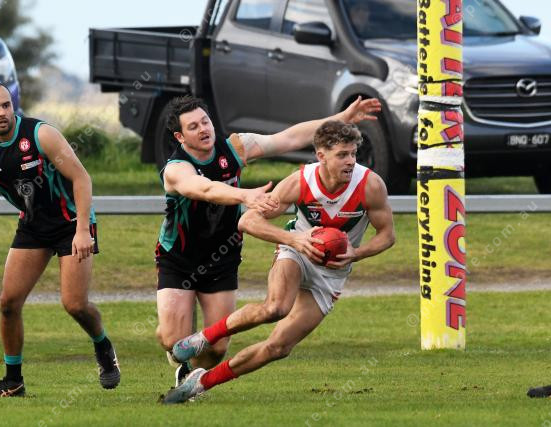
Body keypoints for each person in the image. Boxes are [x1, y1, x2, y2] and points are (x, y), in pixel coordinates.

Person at [162, 120, 395, 403]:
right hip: (295, 253)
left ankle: (199, 383)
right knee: (275, 308)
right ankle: (202, 338)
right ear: (321, 155)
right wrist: (295, 241)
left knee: (279, 348)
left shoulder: (369, 185)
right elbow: (248, 220)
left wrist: (356, 253)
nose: (350, 161)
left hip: (332, 274)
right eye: (342, 155)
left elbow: (387, 235)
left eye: (353, 154)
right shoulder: (301, 182)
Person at [0, 82, 120, 397]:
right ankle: (13, 381)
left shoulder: (41, 135)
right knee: (8, 303)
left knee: (75, 304)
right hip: (32, 227)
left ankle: (103, 346)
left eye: (6, 104)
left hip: (71, 222)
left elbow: (81, 178)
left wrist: (83, 229)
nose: (2, 112)